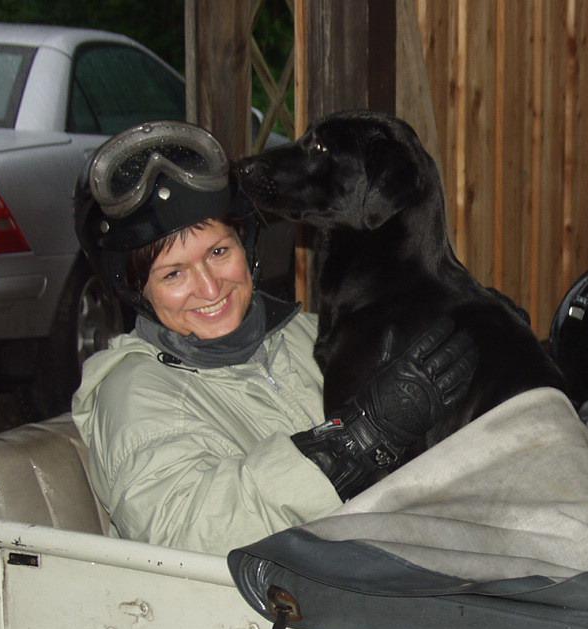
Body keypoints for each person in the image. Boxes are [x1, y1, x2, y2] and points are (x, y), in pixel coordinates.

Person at [71, 120, 475, 553]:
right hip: (253, 593)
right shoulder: (134, 392)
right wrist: (350, 446)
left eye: (218, 252)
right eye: (173, 274)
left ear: (246, 248)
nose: (209, 288)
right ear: (138, 292)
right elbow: (186, 530)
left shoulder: (309, 336)